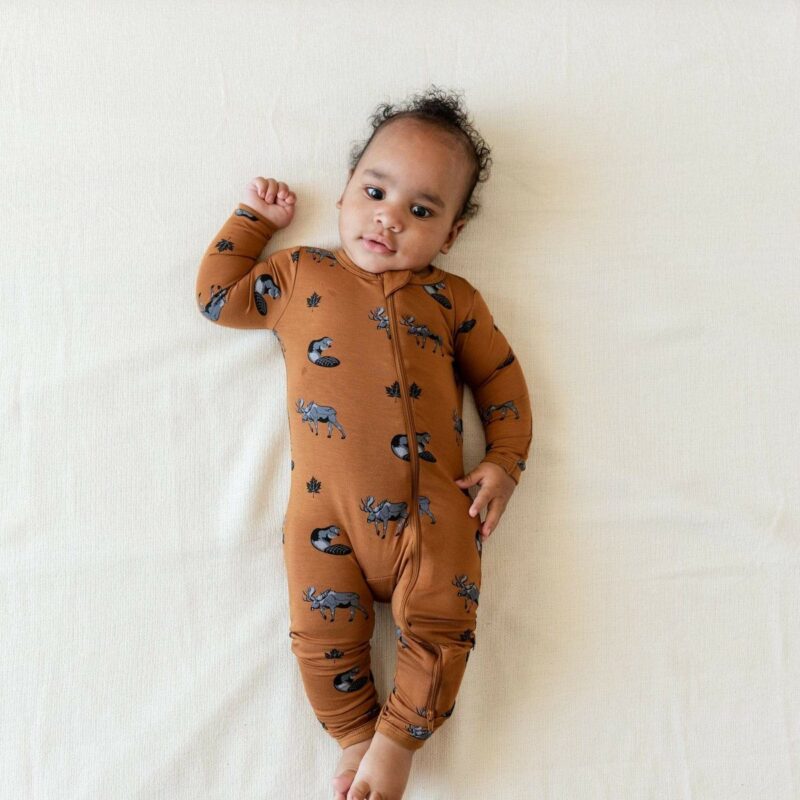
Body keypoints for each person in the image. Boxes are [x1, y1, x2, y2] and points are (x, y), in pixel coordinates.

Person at [195, 85, 532, 800]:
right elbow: (218, 298)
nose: (389, 217)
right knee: (321, 633)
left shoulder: (453, 301)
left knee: (445, 622)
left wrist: (505, 461)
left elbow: (501, 381)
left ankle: (399, 739)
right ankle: (354, 735)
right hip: (326, 517)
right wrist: (253, 221)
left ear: (451, 234)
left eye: (421, 211)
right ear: (347, 189)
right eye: (375, 192)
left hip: (435, 512)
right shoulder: (299, 275)